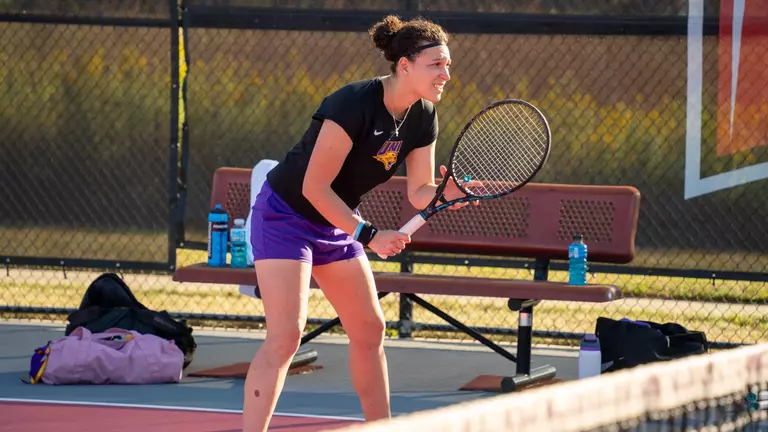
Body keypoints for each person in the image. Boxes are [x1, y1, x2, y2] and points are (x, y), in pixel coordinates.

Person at [243, 14, 475, 432]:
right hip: (285, 216)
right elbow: (315, 187)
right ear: (404, 65)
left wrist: (448, 193)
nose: (446, 74)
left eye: (448, 65)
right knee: (286, 337)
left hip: (334, 225)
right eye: (436, 65)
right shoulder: (352, 104)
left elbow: (420, 190)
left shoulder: (423, 117)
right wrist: (368, 235)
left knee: (369, 329)